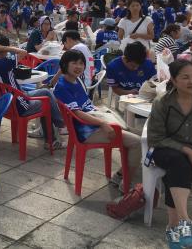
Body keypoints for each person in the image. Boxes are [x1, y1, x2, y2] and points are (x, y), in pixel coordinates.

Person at [147, 60, 192, 248]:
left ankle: (173, 226)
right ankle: (185, 220)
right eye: (185, 77)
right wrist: (188, 150)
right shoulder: (163, 102)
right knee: (179, 161)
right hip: (164, 151)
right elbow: (155, 138)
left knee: (178, 170)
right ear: (174, 80)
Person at [54, 50, 141, 189]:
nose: (78, 66)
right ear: (65, 64)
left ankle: (124, 172)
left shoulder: (76, 80)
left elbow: (86, 107)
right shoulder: (63, 86)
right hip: (86, 131)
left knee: (141, 135)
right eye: (74, 63)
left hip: (93, 123)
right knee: (137, 143)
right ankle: (124, 181)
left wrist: (103, 116)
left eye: (81, 63)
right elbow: (78, 113)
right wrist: (103, 123)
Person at [0, 33, 66, 150]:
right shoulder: (4, 63)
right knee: (46, 102)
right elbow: (24, 52)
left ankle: (59, 125)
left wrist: (0, 48)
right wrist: (6, 47)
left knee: (45, 92)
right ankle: (54, 135)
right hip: (19, 105)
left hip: (4, 105)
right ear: (2, 48)